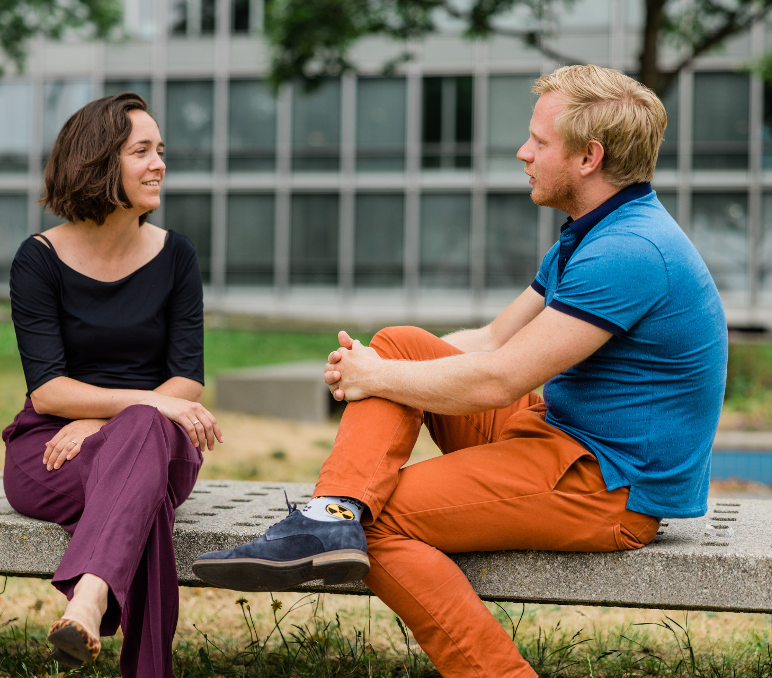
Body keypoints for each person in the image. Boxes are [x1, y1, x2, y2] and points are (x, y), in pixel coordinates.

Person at [193, 64, 727, 678]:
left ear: (589, 158)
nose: (523, 152)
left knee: (382, 520)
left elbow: (501, 379)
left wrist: (377, 380)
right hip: (561, 439)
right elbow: (493, 339)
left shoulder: (630, 252)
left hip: (607, 486)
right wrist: (377, 366)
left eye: (540, 142)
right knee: (397, 345)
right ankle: (332, 513)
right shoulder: (594, 232)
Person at [1, 92, 222, 675]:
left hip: (153, 440)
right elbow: (48, 391)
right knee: (144, 504)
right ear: (99, 162)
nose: (160, 164)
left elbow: (186, 380)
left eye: (161, 150)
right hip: (51, 448)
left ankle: (89, 596)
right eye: (141, 151)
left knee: (144, 437)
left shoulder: (176, 257)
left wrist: (110, 420)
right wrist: (142, 406)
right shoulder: (39, 260)